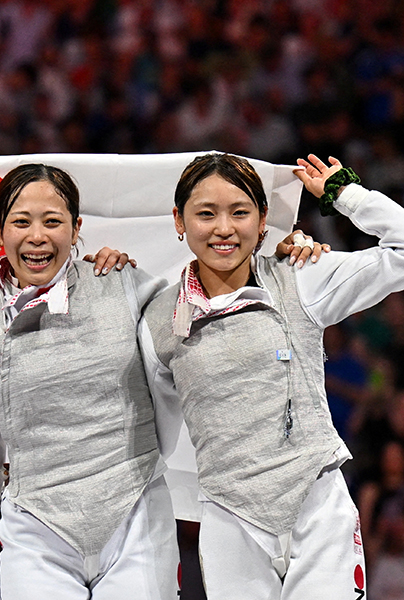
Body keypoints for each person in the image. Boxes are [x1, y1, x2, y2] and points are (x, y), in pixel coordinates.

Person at [140, 152, 404, 599]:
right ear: (179, 220)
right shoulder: (158, 319)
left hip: (316, 506)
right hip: (228, 519)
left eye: (240, 212)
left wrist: (345, 194)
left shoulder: (301, 277)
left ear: (263, 220)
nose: (224, 228)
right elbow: (158, 437)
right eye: (206, 213)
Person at [0, 163, 179, 599]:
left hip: (135, 514)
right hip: (37, 530)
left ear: (76, 229)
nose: (37, 237)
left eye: (52, 222)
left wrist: (277, 259)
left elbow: (189, 328)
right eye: (21, 222)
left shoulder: (122, 283)